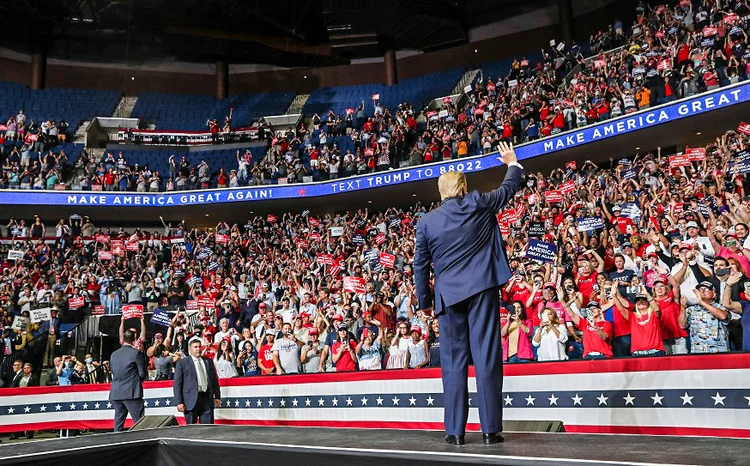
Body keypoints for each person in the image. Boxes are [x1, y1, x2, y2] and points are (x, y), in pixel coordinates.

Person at [414, 141, 523, 445]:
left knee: (452, 363)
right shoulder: (477, 202)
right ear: (463, 188)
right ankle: (490, 431)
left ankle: (455, 432)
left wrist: (425, 303)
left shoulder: (426, 222)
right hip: (482, 291)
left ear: (441, 192)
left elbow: (420, 266)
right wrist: (512, 162)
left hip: (448, 299)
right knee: (487, 357)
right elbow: (508, 188)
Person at [108, 315, 148, 432]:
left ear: (123, 339)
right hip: (132, 393)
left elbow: (114, 371)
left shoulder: (113, 354)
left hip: (116, 392)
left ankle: (117, 447)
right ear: (134, 338)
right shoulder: (136, 353)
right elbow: (142, 373)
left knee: (118, 425)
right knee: (139, 424)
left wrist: (122, 321)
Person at [173, 338, 222, 424]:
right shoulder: (182, 363)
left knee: (208, 429)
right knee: (192, 430)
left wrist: (217, 396)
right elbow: (177, 384)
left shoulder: (208, 361)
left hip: (207, 398)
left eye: (199, 347)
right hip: (190, 401)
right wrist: (179, 402)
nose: (198, 349)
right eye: (195, 347)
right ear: (190, 349)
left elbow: (214, 380)